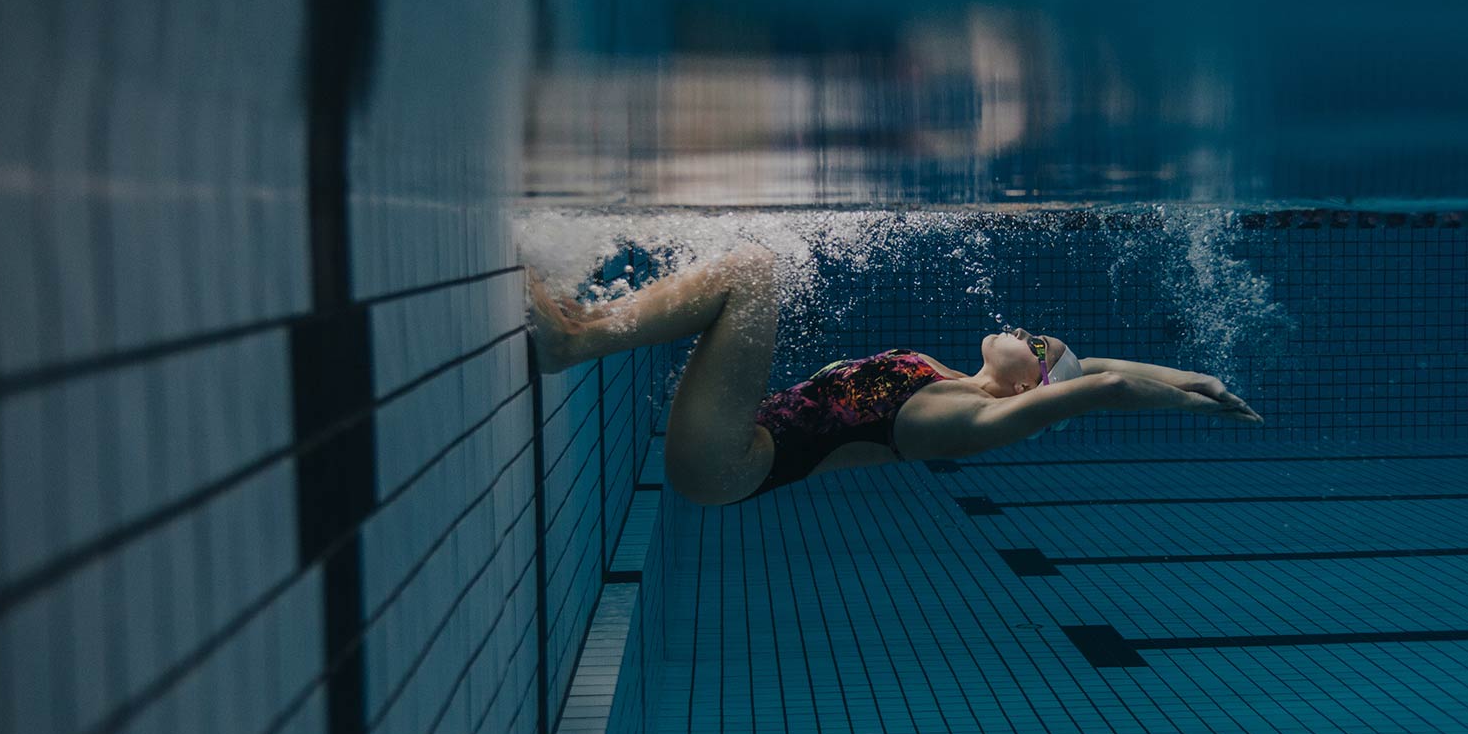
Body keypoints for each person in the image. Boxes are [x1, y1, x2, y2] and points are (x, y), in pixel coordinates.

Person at [527, 243, 1261, 507]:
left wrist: (1195, 409)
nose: (1023, 331)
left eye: (1034, 344)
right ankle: (585, 323)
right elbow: (1093, 366)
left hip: (727, 464)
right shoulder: (952, 376)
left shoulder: (972, 419)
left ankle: (572, 342)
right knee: (749, 270)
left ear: (1028, 389)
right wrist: (1196, 376)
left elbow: (1098, 386)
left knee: (752, 270)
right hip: (736, 437)